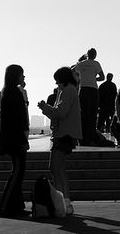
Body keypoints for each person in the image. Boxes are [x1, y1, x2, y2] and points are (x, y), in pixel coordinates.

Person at [38, 66, 82, 216]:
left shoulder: (67, 91)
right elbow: (61, 113)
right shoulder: (68, 90)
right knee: (59, 169)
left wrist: (45, 107)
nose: (56, 83)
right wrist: (47, 108)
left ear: (62, 79)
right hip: (66, 134)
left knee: (55, 169)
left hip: (64, 134)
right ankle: (65, 203)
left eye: (57, 80)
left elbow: (61, 113)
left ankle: (63, 203)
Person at [0, 64, 30, 218]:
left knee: (18, 172)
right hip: (15, 139)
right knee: (17, 172)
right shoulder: (12, 92)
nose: (23, 77)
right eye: (22, 74)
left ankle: (16, 206)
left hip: (14, 138)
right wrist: (23, 138)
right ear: (15, 75)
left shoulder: (9, 91)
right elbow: (17, 118)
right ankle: (4, 207)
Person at [73, 48, 104, 145]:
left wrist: (81, 78)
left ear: (87, 54)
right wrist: (94, 78)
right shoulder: (96, 64)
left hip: (83, 90)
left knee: (83, 114)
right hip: (93, 90)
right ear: (95, 55)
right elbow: (102, 77)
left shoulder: (81, 64)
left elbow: (72, 70)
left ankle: (82, 137)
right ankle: (90, 137)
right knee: (92, 114)